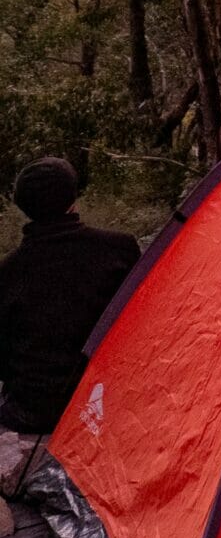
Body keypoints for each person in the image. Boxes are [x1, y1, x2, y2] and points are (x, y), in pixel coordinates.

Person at [0, 158, 140, 442]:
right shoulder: (120, 250)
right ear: (72, 197)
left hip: (31, 413)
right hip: (104, 405)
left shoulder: (9, 272)